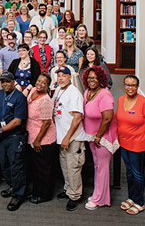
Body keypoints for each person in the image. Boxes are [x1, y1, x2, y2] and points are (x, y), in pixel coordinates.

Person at [82, 66, 119, 210]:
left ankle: (100, 199)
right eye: (89, 78)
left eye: (95, 78)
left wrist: (98, 136)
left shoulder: (105, 94)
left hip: (102, 137)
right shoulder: (88, 92)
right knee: (97, 166)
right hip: (92, 137)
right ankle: (100, 194)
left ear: (101, 79)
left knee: (102, 168)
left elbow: (107, 118)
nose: (92, 80)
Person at [116, 75, 145, 215]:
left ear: (137, 87)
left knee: (138, 173)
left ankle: (139, 202)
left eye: (133, 85)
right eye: (127, 85)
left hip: (139, 144)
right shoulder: (120, 99)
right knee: (129, 172)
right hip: (124, 142)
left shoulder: (144, 103)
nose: (130, 88)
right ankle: (131, 197)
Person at [53, 65, 87, 212]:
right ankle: (68, 190)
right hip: (62, 137)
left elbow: (77, 117)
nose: (60, 78)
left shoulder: (74, 92)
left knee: (73, 167)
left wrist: (67, 137)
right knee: (65, 166)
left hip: (73, 138)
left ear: (69, 77)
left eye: (63, 75)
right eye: (58, 75)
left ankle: (75, 196)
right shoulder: (60, 90)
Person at [0, 71, 28, 212]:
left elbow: (17, 121)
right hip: (3, 137)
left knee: (16, 166)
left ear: (14, 82)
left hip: (15, 137)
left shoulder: (19, 97)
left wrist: (1, 130)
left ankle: (18, 195)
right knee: (4, 164)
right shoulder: (1, 94)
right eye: (3, 81)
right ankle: (13, 186)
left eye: (8, 81)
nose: (5, 84)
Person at [27, 73, 56, 204]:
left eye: (44, 83)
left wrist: (38, 140)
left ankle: (44, 194)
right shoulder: (33, 90)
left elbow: (47, 123)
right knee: (36, 166)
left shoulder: (46, 101)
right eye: (39, 81)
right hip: (32, 135)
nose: (40, 84)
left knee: (43, 168)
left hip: (43, 139)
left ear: (48, 86)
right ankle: (36, 190)